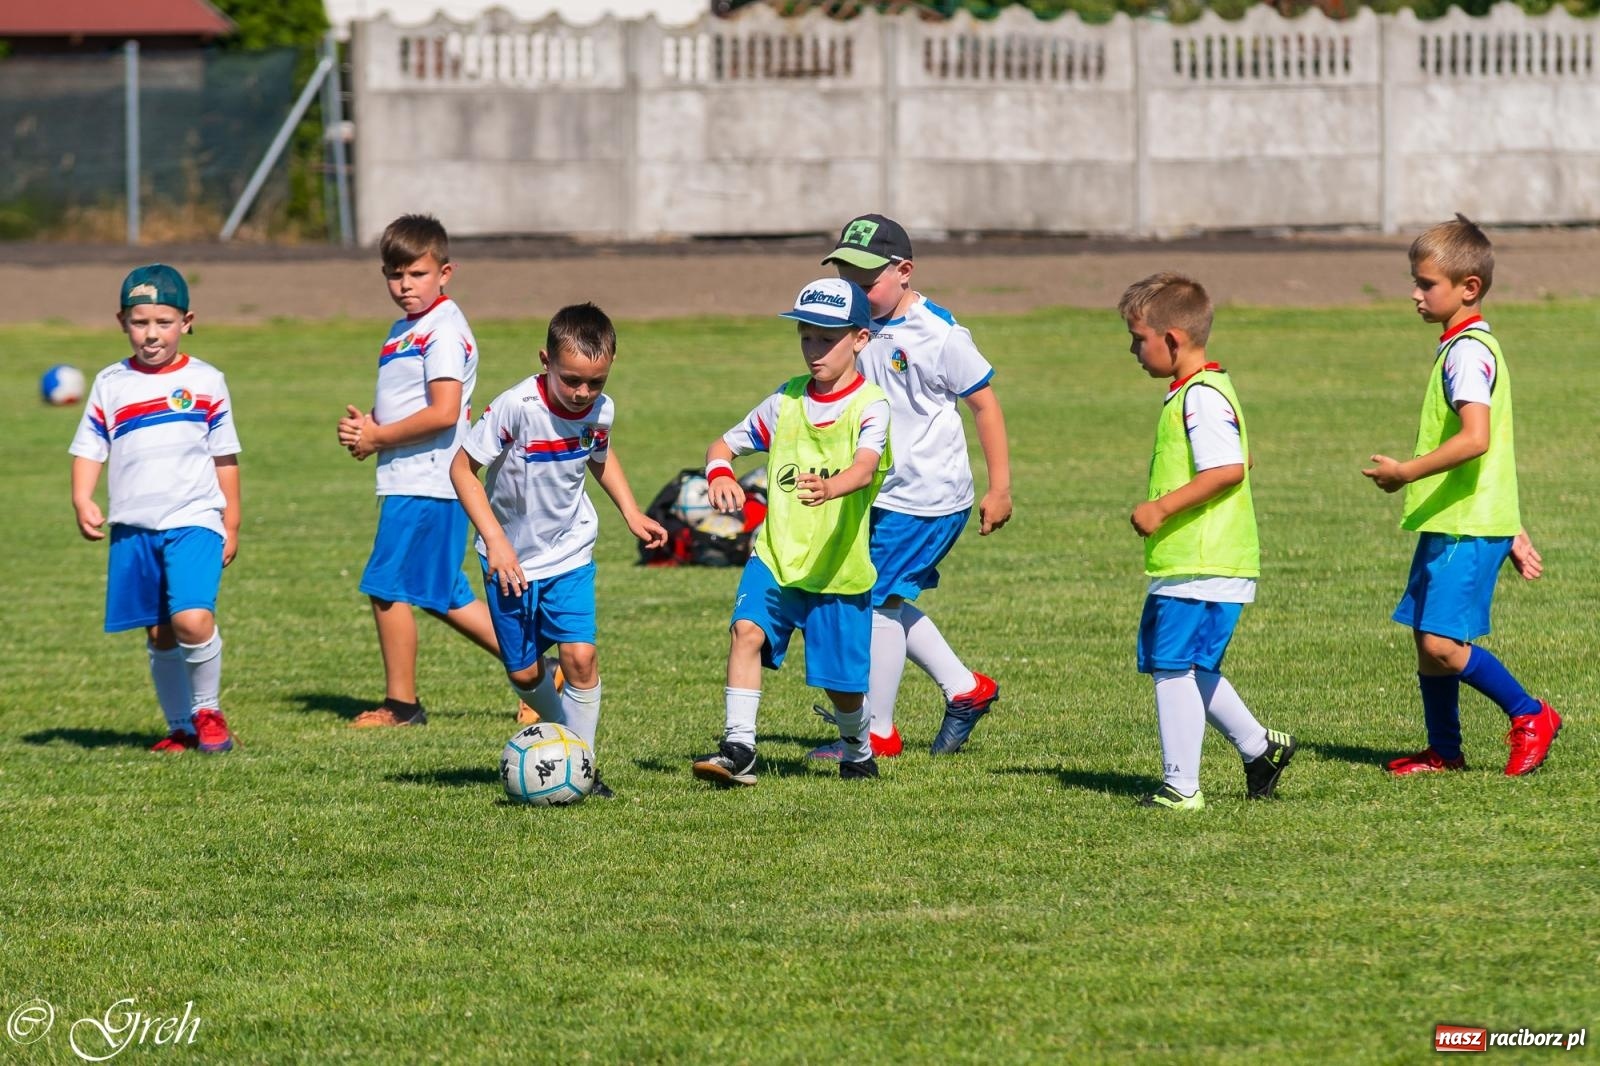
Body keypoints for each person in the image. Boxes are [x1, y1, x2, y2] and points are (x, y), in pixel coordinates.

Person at [1362, 215, 1559, 776]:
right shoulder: (1461, 346)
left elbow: (1477, 440)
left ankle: (1530, 714)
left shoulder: (1467, 353)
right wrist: (1513, 526)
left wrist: (1406, 471)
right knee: (1429, 645)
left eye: (1426, 284)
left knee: (1444, 645)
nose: (1415, 294)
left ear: (1468, 287)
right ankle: (1445, 752)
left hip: (1467, 525)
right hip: (1463, 519)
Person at [451, 303, 667, 798]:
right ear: (545, 360)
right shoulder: (516, 408)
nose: (583, 393)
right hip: (509, 559)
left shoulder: (599, 409)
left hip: (570, 551)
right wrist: (498, 542)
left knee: (581, 656)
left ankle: (582, 768)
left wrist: (630, 512)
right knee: (525, 672)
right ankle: (564, 738)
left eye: (596, 382)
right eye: (571, 380)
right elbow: (463, 471)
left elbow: (600, 456)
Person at [819, 213, 1010, 759]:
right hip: (877, 493)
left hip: (926, 497)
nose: (854, 291)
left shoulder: (940, 334)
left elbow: (985, 405)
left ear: (904, 271)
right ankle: (965, 689)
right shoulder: (856, 331)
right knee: (887, 597)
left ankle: (876, 733)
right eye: (845, 279)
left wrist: (1001, 489)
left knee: (874, 600)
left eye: (865, 281)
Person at [692, 278, 892, 786]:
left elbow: (866, 468)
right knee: (745, 632)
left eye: (827, 339)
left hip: (837, 570)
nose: (814, 350)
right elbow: (723, 444)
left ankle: (857, 747)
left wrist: (832, 489)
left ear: (860, 339)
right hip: (776, 557)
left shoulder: (871, 406)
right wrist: (719, 475)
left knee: (843, 687)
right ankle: (739, 748)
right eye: (807, 337)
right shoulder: (786, 402)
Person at [337, 214, 529, 728]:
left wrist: (379, 437)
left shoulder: (443, 329)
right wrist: (369, 428)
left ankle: (402, 705)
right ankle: (543, 672)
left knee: (387, 588)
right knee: (442, 593)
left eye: (416, 274)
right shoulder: (405, 328)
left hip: (428, 480)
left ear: (445, 272)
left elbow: (445, 412)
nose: (404, 286)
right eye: (394, 275)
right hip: (410, 477)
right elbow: (409, 404)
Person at [1119, 272, 1295, 809]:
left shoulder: (1200, 396)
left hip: (1203, 560)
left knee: (1173, 666)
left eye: (1138, 338)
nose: (1132, 350)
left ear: (1171, 339)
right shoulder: (1203, 391)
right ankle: (1259, 746)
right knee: (1186, 665)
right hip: (1199, 561)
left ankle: (1182, 787)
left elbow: (1228, 469)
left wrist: (1161, 507)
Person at [69, 264, 240, 754]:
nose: (151, 334)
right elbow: (90, 448)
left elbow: (223, 455)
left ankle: (208, 711)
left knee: (191, 620)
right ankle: (181, 727)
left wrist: (232, 521)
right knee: (160, 631)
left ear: (187, 321)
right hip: (134, 526)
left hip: (194, 519)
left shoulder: (207, 381)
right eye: (140, 322)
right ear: (122, 321)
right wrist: (83, 497)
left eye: (163, 322)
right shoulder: (110, 383)